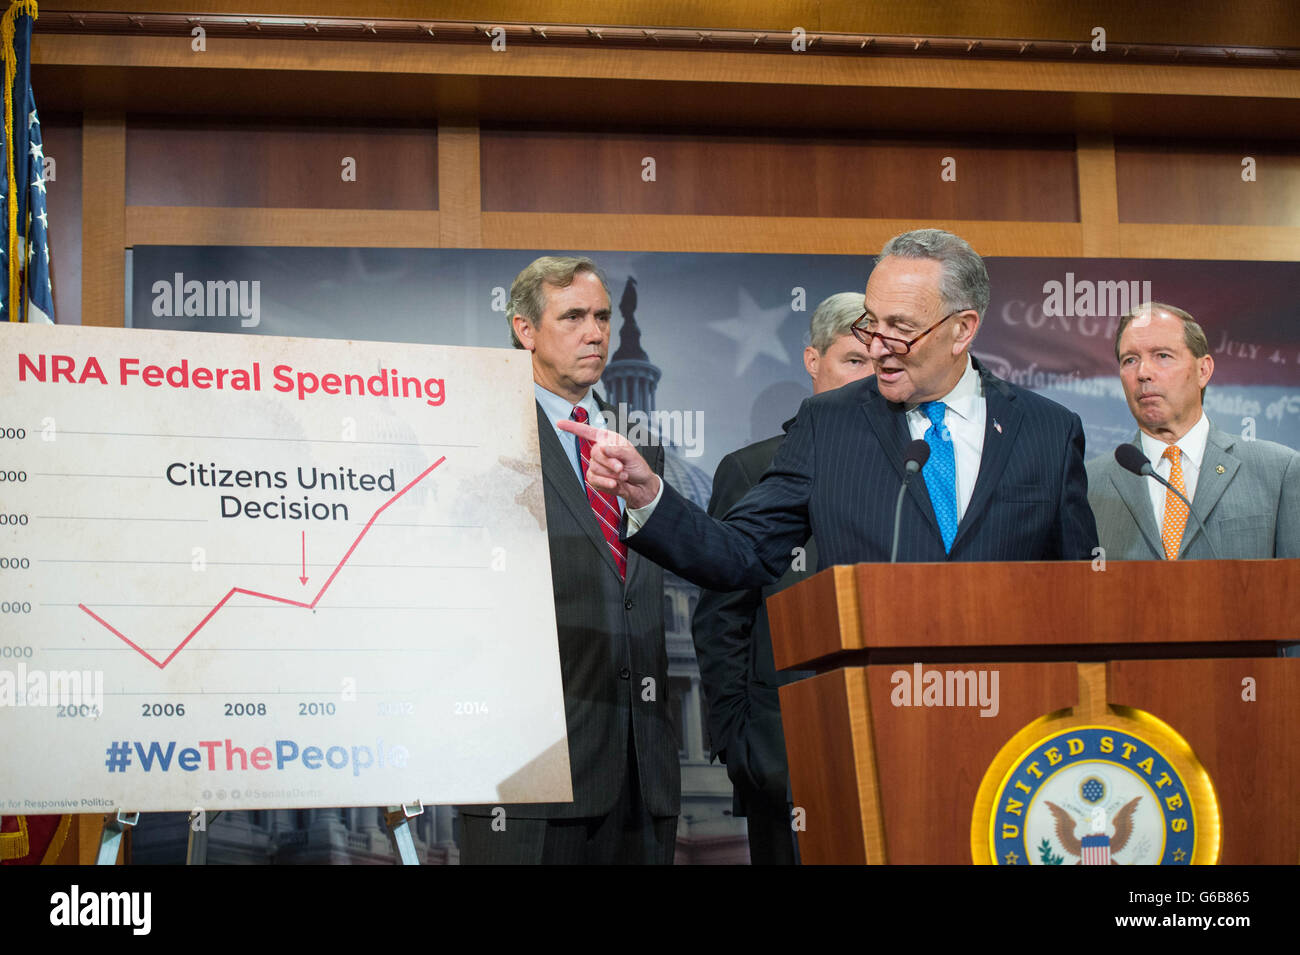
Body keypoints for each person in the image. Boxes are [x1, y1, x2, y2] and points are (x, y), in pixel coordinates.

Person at [559, 228, 1098, 595]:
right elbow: (742, 552)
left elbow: (1081, 593)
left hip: (1018, 730)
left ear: (963, 330)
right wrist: (650, 495)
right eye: (872, 322)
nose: (880, 345)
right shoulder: (829, 424)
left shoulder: (1048, 431)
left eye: (902, 328)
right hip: (875, 717)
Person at [458, 255, 678, 864]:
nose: (596, 332)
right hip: (529, 776)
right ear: (525, 330)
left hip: (643, 773)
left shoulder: (639, 449)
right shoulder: (480, 439)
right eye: (574, 316)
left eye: (602, 316)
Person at [692, 291, 873, 865]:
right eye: (852, 360)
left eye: (878, 364)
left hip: (897, 732)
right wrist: (739, 743)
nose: (866, 377)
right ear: (812, 361)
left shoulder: (921, 462)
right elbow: (722, 616)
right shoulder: (750, 468)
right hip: (781, 751)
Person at [1086, 302, 1299, 559]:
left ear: (1203, 370)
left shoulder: (1279, 471)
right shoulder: (1089, 483)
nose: (1143, 373)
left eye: (1162, 356)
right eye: (1130, 360)